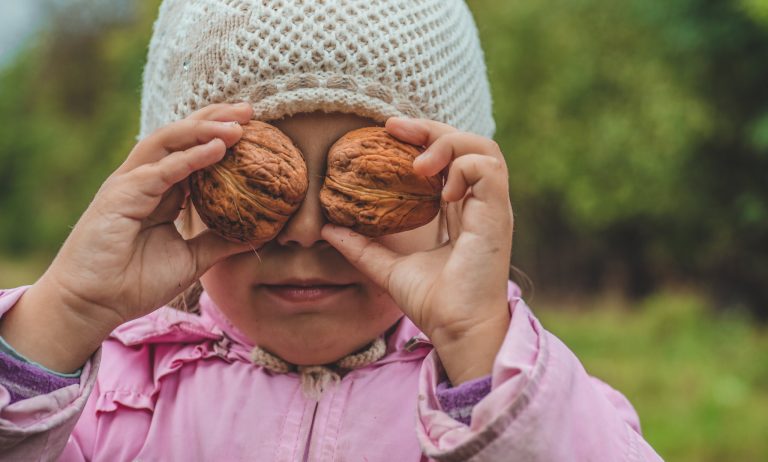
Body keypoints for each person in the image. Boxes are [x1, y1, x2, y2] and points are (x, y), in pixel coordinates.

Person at [0, 0, 662, 460]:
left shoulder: (528, 397)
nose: (306, 230)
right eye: (253, 180)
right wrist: (65, 315)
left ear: (452, 199)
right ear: (179, 192)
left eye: (369, 182)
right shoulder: (106, 409)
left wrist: (480, 359)